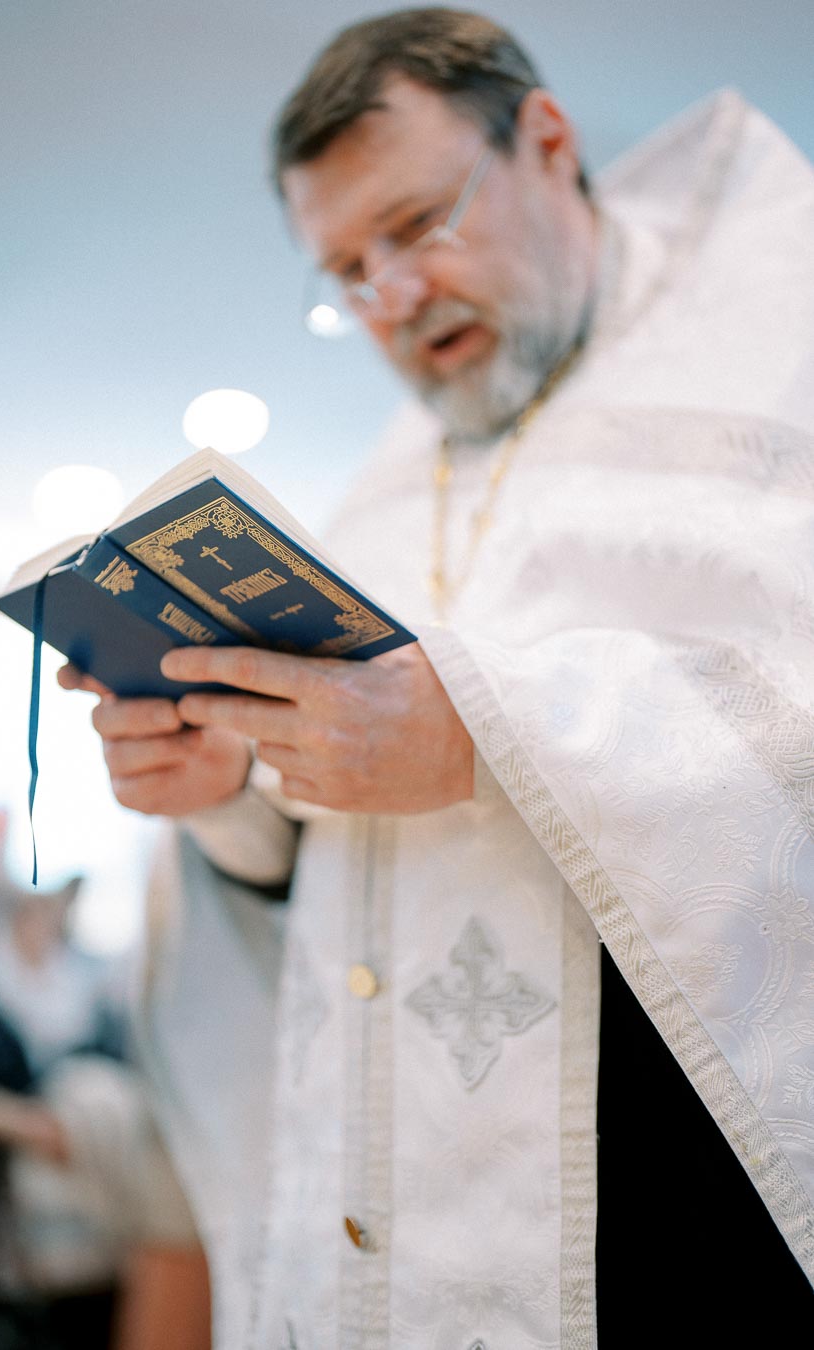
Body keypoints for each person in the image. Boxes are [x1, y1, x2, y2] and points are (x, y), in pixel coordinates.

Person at [59, 8, 814, 1346]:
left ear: (546, 141)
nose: (388, 299)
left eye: (416, 225)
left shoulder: (780, 354)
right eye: (347, 267)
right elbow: (328, 866)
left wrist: (488, 732)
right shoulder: (382, 489)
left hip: (686, 1210)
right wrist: (239, 793)